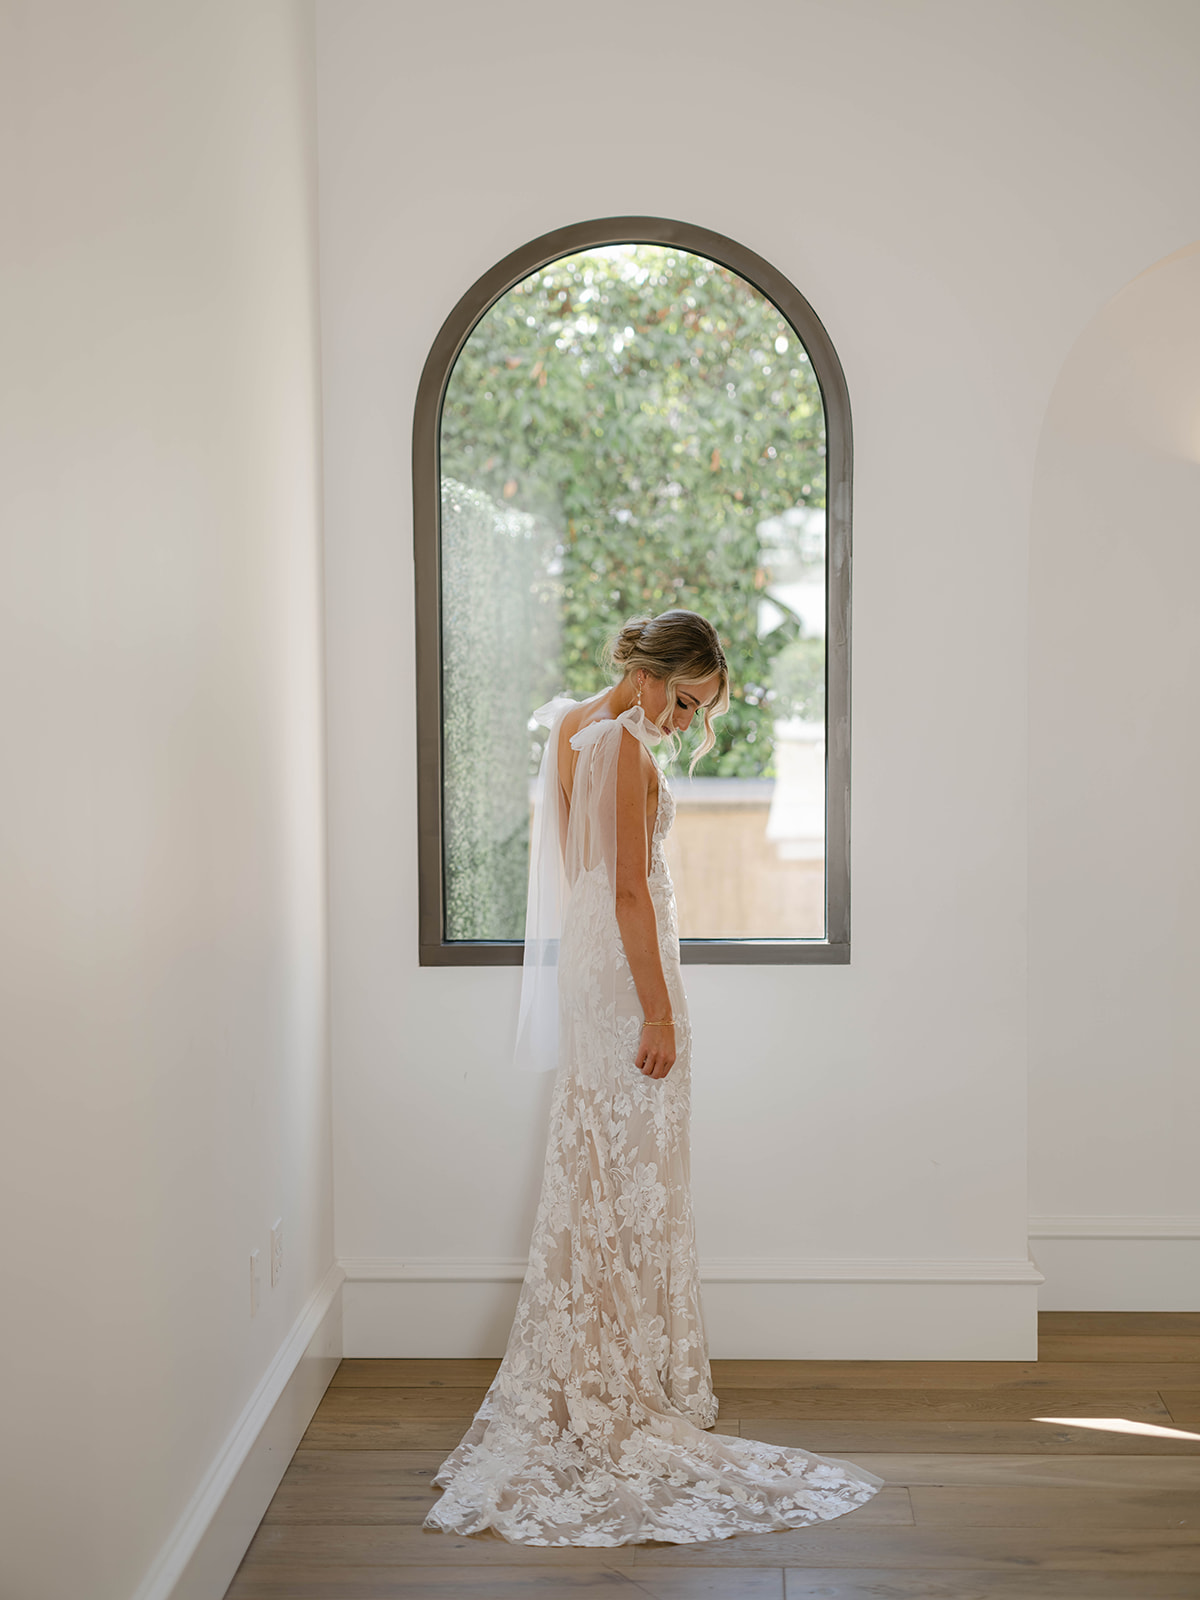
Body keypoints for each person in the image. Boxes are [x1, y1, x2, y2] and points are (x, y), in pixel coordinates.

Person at [424, 609, 884, 1546]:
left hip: (594, 963)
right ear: (647, 675)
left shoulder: (574, 723)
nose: (685, 722)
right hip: (629, 977)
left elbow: (583, 873)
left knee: (603, 1169)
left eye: (698, 709)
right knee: (632, 1174)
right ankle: (618, 1377)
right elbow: (632, 887)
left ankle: (598, 1364)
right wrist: (660, 1010)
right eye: (683, 700)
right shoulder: (625, 744)